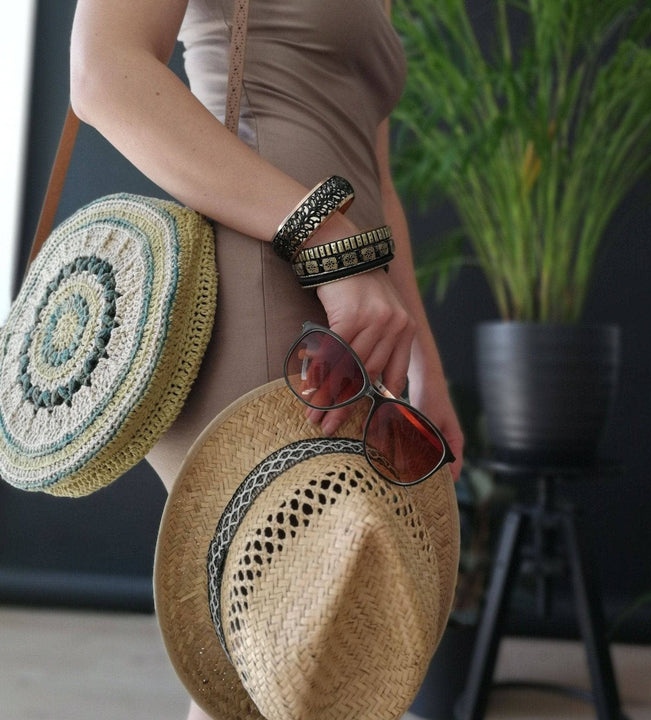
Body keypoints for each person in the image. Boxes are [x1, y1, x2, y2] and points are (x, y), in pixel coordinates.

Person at [70, 1, 464, 718]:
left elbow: (376, 172)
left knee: (287, 673)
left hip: (351, 309)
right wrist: (326, 244)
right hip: (271, 286)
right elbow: (104, 74)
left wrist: (423, 365)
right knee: (272, 663)